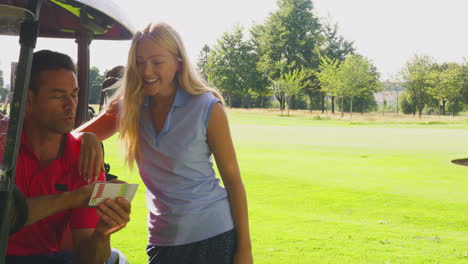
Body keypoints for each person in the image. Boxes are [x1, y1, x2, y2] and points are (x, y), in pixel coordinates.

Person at [75, 22, 253, 264]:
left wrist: (244, 252)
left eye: (157, 62)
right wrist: (88, 138)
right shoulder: (128, 107)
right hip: (162, 240)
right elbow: (71, 140)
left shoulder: (206, 107)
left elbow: (233, 182)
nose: (147, 71)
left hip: (214, 234)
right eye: (139, 62)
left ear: (178, 62)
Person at [4, 50, 131, 264]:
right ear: (28, 101)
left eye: (73, 94)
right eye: (58, 96)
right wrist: (74, 198)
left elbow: (88, 259)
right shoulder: (4, 144)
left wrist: (103, 232)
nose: (70, 105)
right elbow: (5, 218)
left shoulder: (83, 157)